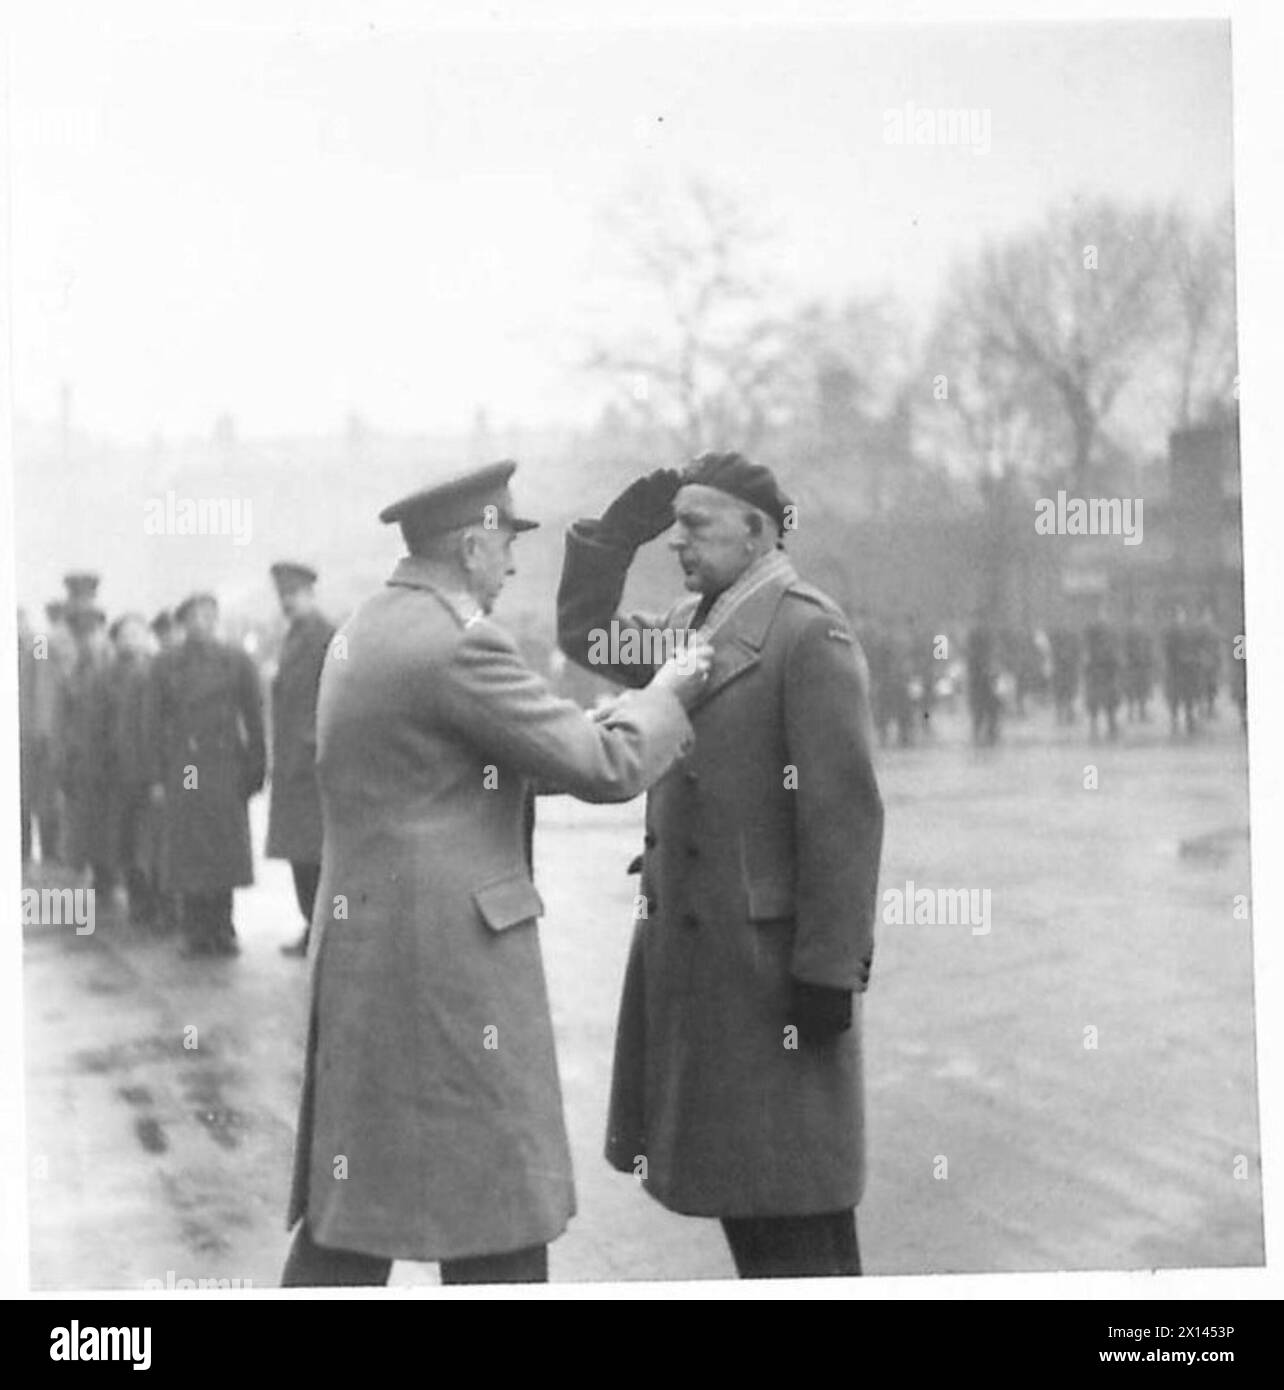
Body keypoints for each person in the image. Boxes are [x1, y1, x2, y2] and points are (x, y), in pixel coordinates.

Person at [282, 461, 710, 1288]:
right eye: (507, 540)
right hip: (450, 973)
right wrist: (668, 691)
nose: (512, 561)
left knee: (355, 1209)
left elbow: (458, 759)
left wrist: (570, 728)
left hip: (375, 960)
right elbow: (607, 767)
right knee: (499, 1207)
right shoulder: (461, 641)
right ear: (474, 542)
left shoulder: (367, 629)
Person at [557, 452, 884, 1279]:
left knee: (797, 1213)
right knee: (757, 1207)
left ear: (758, 530)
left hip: (770, 977)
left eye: (695, 524)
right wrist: (608, 542)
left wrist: (827, 970)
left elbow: (842, 817)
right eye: (672, 529)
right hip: (713, 979)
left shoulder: (810, 630)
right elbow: (583, 635)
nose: (679, 542)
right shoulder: (694, 627)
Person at [149, 593, 265, 957]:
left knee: (222, 847)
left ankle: (223, 927)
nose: (202, 622)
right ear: (183, 623)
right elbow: (152, 724)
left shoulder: (237, 661)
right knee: (189, 846)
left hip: (224, 763)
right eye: (194, 617)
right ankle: (195, 930)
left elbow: (254, 718)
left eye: (208, 615)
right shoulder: (166, 665)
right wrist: (155, 776)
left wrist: (256, 766)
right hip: (187, 766)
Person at [264, 563, 335, 958]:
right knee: (300, 854)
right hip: (292, 763)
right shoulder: (292, 638)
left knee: (318, 854)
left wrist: (314, 741)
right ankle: (313, 926)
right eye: (283, 596)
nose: (287, 602)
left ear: (311, 593)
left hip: (315, 763)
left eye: (293, 594)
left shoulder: (326, 636)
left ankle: (325, 932)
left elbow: (337, 695)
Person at [101, 613, 161, 927]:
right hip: (118, 772)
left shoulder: (156, 670)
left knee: (150, 842)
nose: (133, 639)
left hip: (147, 770)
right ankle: (139, 903)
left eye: (139, 632)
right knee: (125, 842)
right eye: (126, 634)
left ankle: (157, 904)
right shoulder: (108, 675)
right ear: (117, 640)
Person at [60, 596, 116, 895]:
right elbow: (64, 718)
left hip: (109, 757)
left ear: (100, 630)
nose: (85, 639)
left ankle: (110, 877)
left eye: (90, 631)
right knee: (87, 822)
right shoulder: (73, 672)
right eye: (79, 633)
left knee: (110, 822)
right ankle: (98, 876)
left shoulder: (114, 665)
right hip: (82, 759)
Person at [1082, 616, 1122, 741]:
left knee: (1095, 704)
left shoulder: (1090, 649)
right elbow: (1115, 662)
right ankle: (1111, 726)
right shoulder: (1107, 647)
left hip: (1096, 679)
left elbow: (1086, 666)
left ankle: (1096, 726)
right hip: (1105, 679)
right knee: (1109, 704)